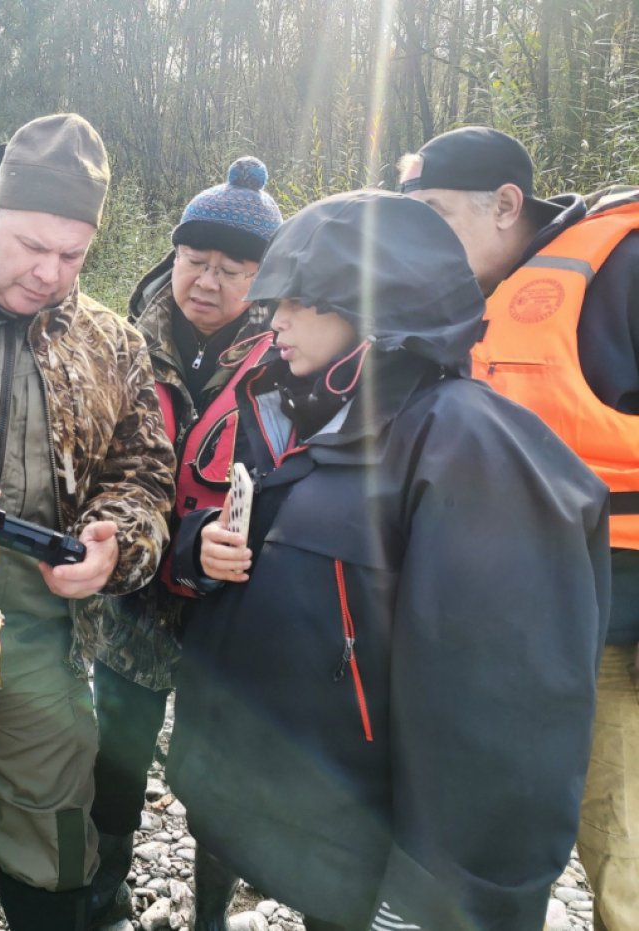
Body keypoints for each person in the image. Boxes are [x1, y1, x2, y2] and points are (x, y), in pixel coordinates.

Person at [165, 189, 610, 931]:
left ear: (376, 310)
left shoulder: (468, 448)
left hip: (377, 847)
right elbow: (270, 559)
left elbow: (507, 712)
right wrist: (196, 551)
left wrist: (438, 894)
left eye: (302, 301)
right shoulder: (299, 412)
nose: (273, 320)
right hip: (295, 814)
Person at [0, 112, 177, 931]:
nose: (51, 273)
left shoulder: (113, 344)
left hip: (45, 631)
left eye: (73, 255)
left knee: (55, 832)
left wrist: (115, 544)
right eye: (31, 246)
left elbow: (145, 476)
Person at [399, 126, 639, 931]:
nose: (421, 236)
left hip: (618, 638)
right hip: (506, 639)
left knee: (625, 864)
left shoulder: (622, 268)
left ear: (505, 204)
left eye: (435, 212)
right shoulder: (463, 300)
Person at [86, 156, 283, 930]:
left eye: (231, 269)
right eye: (193, 260)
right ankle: (103, 894)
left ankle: (209, 912)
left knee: (220, 780)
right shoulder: (122, 342)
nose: (205, 280)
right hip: (133, 603)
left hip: (231, 613)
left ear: (261, 278)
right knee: (115, 760)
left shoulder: (291, 363)